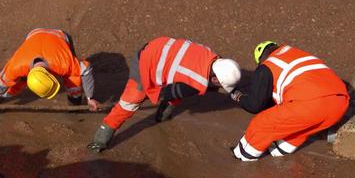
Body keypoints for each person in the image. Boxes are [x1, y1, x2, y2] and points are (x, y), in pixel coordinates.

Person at [88, 36, 241, 152]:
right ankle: (100, 140)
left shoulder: (213, 57)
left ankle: (162, 115)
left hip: (159, 48)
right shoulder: (196, 81)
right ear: (215, 78)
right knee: (129, 104)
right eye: (220, 85)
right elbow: (167, 93)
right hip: (145, 63)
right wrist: (151, 93)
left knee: (177, 92)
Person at [230, 41, 349, 161]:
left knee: (262, 124)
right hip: (340, 102)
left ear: (261, 59)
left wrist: (238, 96)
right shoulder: (296, 53)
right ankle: (278, 151)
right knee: (297, 131)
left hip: (312, 103)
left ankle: (242, 156)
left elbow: (254, 105)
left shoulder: (268, 65)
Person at [0, 28, 100, 111]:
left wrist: (90, 97)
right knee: (16, 82)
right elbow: (1, 83)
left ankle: (74, 106)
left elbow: (86, 69)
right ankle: (0, 99)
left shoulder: (64, 63)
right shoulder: (16, 66)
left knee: (73, 80)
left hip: (60, 36)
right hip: (34, 35)